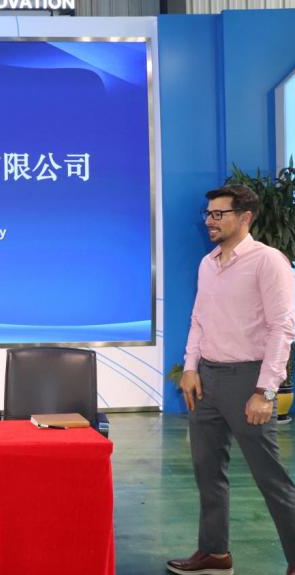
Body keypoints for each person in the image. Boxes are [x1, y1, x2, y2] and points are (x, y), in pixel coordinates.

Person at [167, 184, 295, 575]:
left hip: (248, 381)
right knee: (208, 472)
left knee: (270, 477)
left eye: (218, 214)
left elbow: (282, 328)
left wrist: (266, 391)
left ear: (245, 217)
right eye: (208, 213)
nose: (210, 220)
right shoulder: (208, 264)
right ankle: (215, 553)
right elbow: (199, 319)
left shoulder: (268, 261)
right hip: (206, 380)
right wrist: (190, 367)